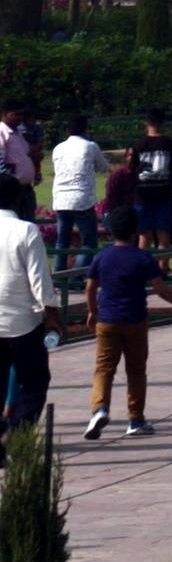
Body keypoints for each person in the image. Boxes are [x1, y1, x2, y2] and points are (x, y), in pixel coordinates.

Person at [79, 208, 172, 440]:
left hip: (107, 319)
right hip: (135, 320)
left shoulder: (102, 256)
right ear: (135, 231)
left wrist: (92, 311)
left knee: (104, 368)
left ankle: (99, 409)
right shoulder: (142, 257)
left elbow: (90, 288)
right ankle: (135, 419)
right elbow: (160, 289)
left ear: (110, 232)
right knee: (136, 371)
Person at [0, 184, 46, 434]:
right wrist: (50, 312)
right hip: (21, 323)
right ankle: (19, 435)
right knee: (34, 381)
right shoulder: (26, 230)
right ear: (18, 200)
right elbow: (39, 279)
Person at [43, 118, 101, 262]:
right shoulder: (90, 146)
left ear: (67, 131)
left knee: (62, 242)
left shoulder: (58, 148)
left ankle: (59, 278)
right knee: (88, 243)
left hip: (61, 199)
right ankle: (76, 276)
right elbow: (103, 167)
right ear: (86, 130)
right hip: (82, 199)